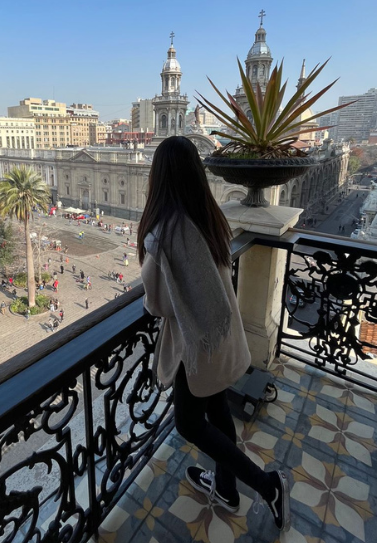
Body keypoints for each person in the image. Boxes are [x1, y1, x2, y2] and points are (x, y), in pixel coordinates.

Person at [139, 136, 289, 530]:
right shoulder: (209, 217)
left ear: (160, 177)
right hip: (222, 337)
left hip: (197, 347)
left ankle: (266, 484)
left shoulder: (164, 234)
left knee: (189, 423)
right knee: (219, 411)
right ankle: (226, 488)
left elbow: (157, 305)